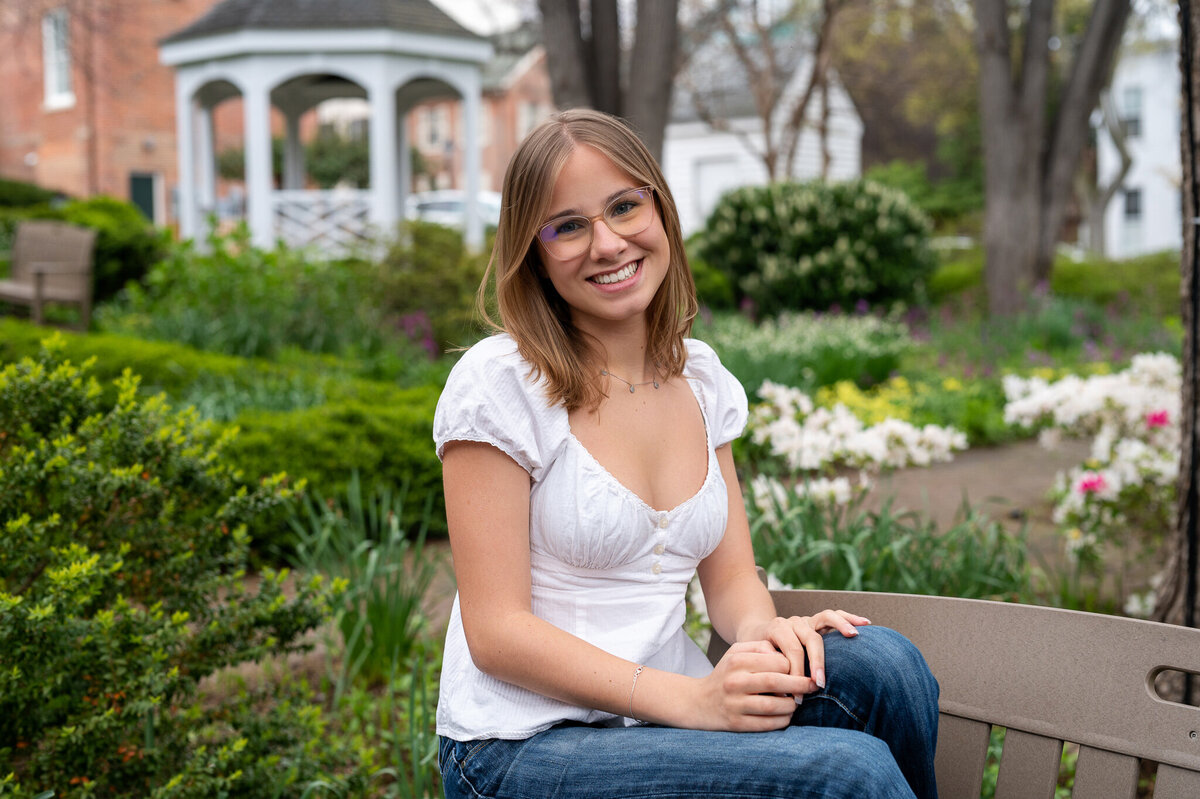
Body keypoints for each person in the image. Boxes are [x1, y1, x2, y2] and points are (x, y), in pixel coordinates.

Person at [433, 108, 939, 799]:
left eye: (623, 206)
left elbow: (730, 586)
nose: (606, 243)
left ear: (661, 211)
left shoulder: (700, 379)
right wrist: (691, 700)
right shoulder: (501, 382)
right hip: (520, 746)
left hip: (662, 715)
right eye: (569, 226)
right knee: (848, 775)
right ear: (534, 251)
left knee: (885, 664)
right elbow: (496, 632)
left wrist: (771, 633)